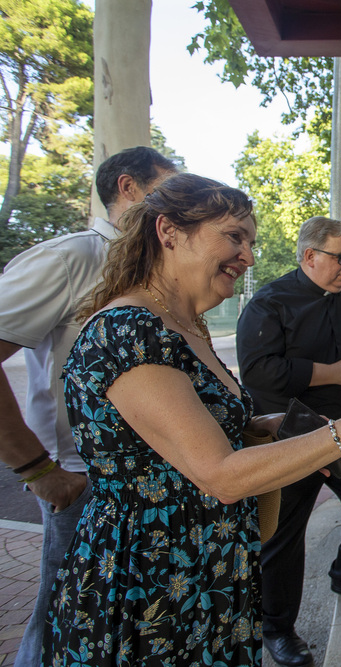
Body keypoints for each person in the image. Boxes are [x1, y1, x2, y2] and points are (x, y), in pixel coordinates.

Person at [42, 175, 341, 666]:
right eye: (233, 236)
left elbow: (191, 428)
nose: (248, 256)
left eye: (250, 242)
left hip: (210, 571)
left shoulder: (187, 325)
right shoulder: (129, 330)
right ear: (169, 231)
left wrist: (265, 424)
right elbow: (220, 474)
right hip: (153, 582)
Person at [0, 146, 175, 667]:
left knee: (110, 626)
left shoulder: (152, 271)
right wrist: (39, 471)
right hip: (82, 483)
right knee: (61, 623)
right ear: (128, 188)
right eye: (166, 191)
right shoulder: (71, 258)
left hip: (142, 482)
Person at [236, 216, 341, 666]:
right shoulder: (269, 303)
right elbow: (258, 370)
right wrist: (331, 372)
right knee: (282, 535)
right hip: (294, 434)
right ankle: (277, 627)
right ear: (310, 256)